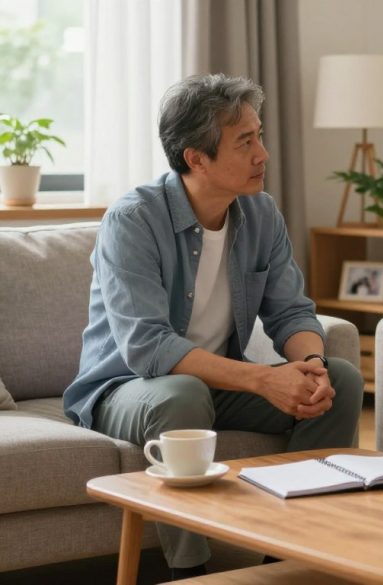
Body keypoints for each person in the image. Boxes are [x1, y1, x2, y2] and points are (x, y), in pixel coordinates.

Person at [63, 74, 364, 580]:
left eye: (260, 136)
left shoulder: (261, 214)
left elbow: (291, 311)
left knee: (342, 379)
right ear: (195, 158)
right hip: (126, 388)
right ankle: (193, 573)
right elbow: (148, 348)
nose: (263, 154)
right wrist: (264, 379)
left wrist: (309, 366)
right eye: (245, 142)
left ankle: (290, 557)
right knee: (181, 394)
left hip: (215, 383)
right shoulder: (132, 220)